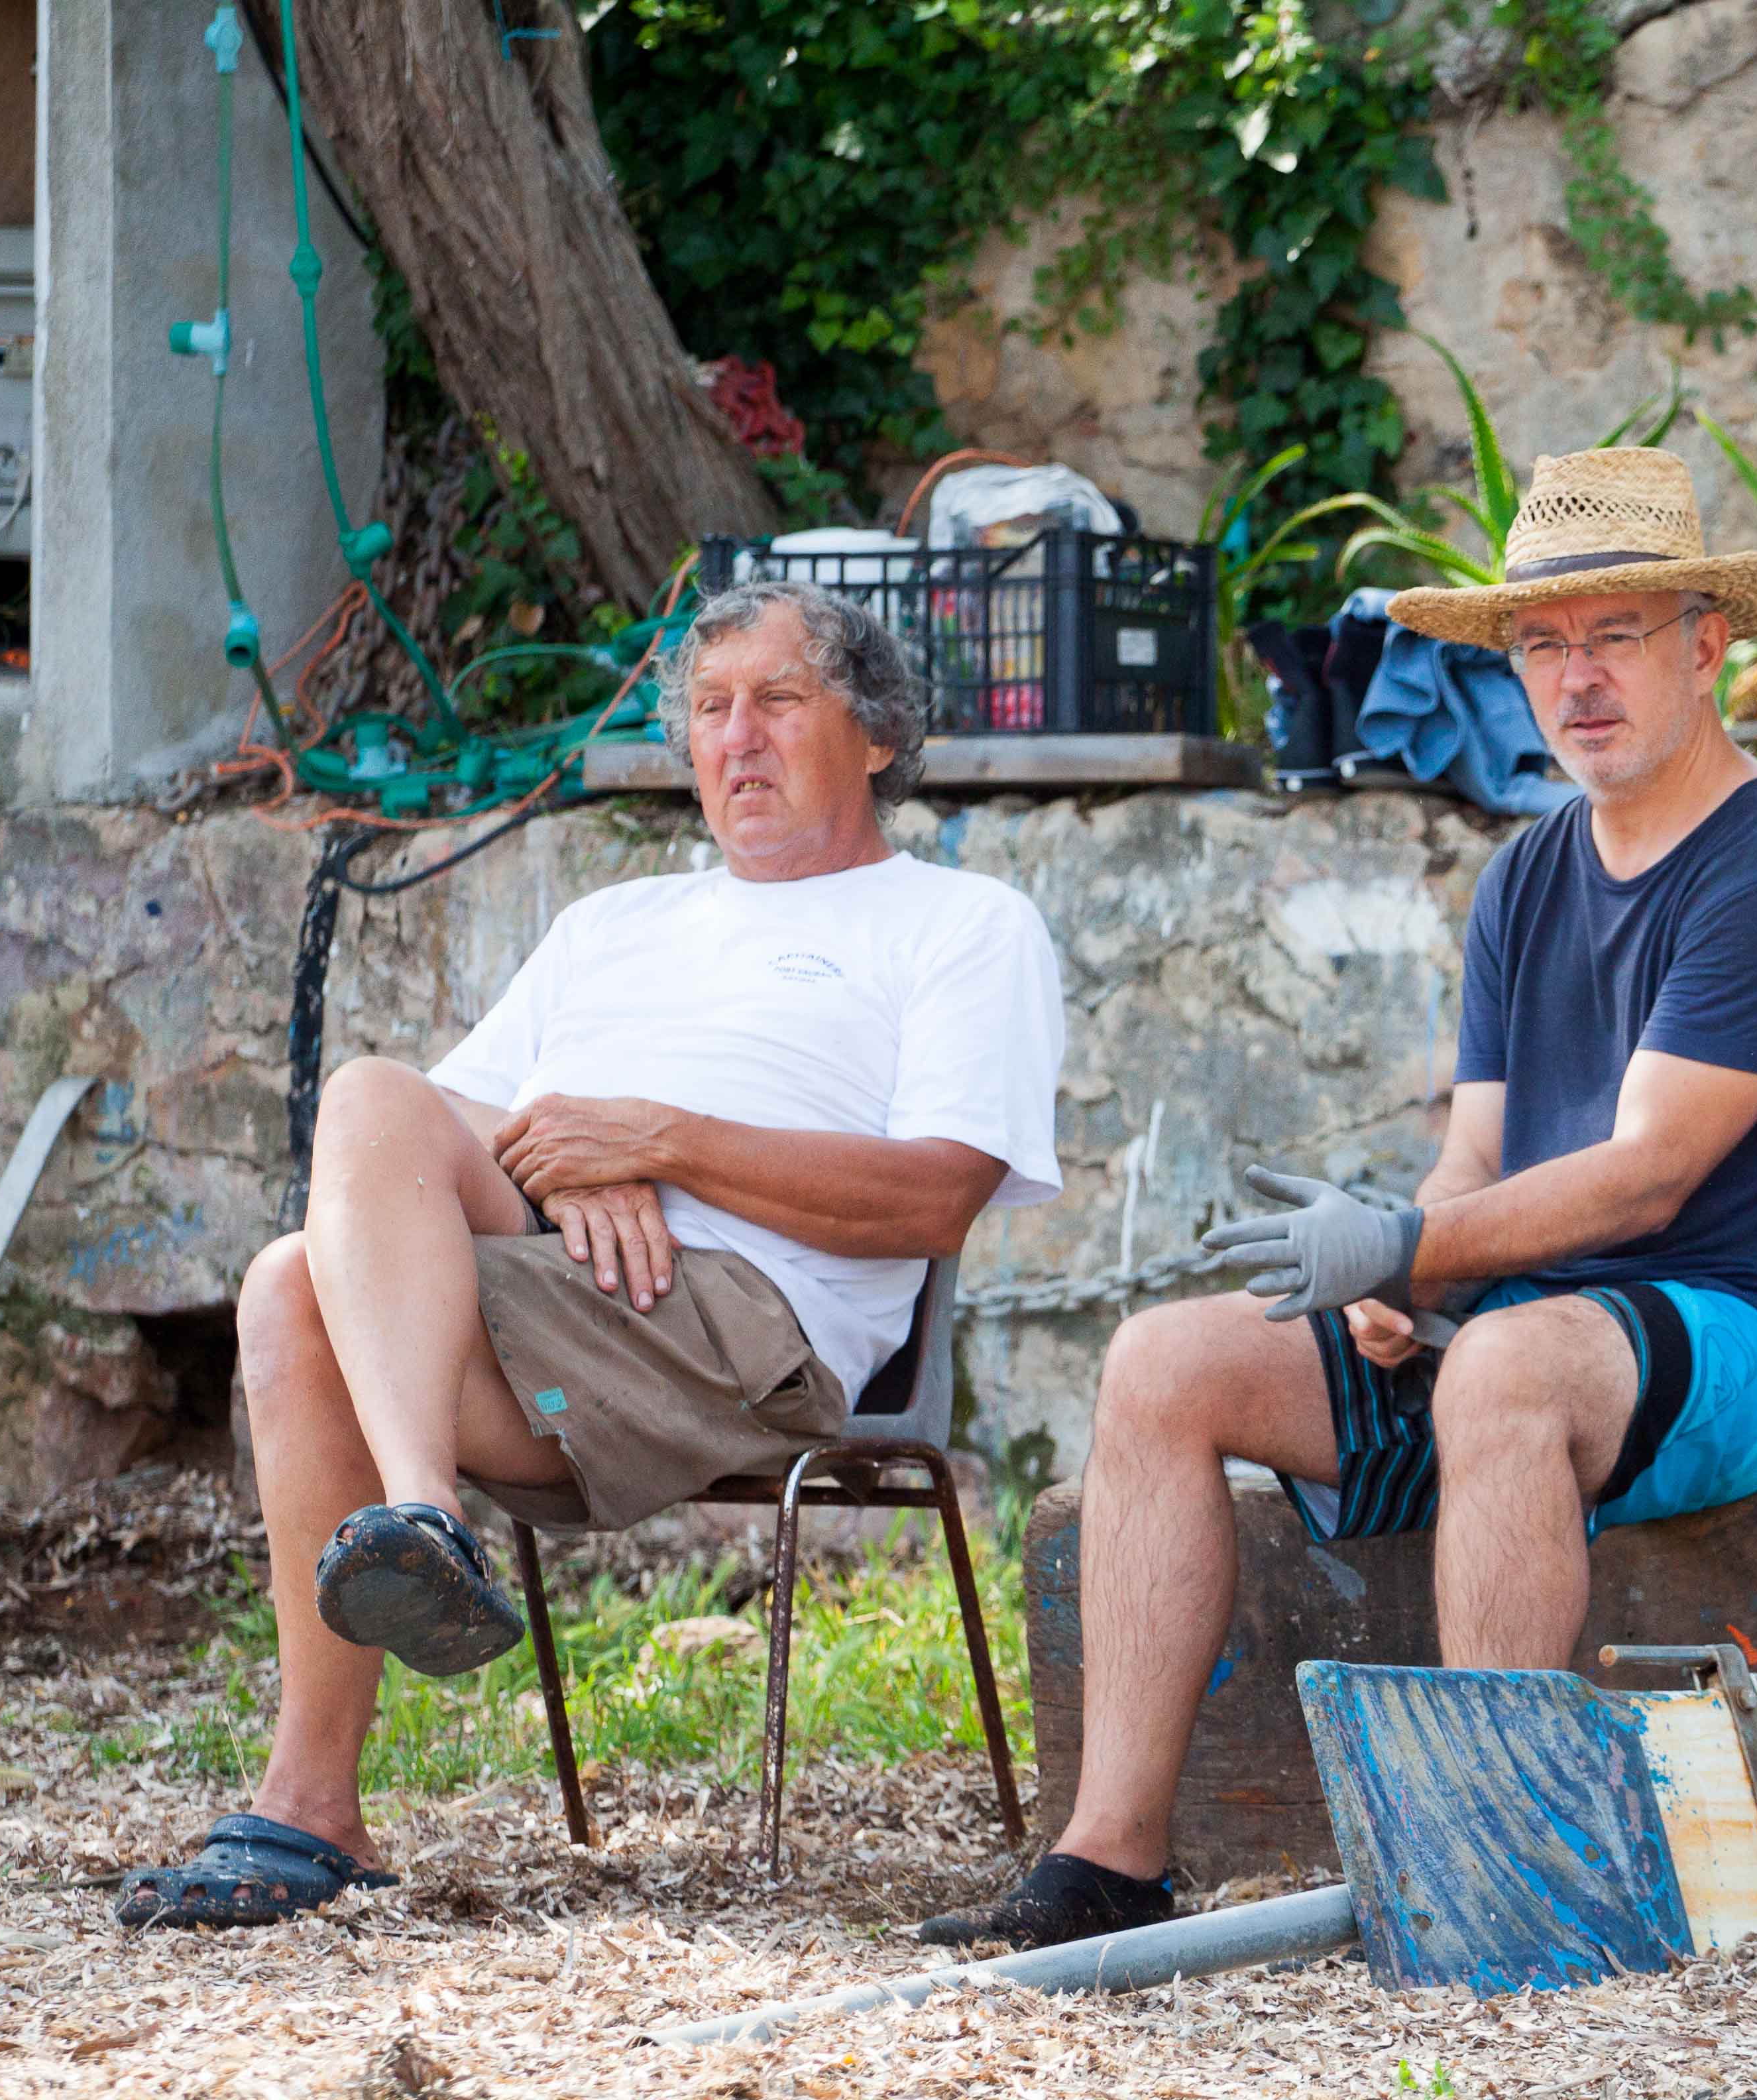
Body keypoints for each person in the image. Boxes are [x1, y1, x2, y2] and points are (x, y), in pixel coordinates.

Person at [925, 445, 1757, 1950]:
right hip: (1549, 1323)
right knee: (1167, 1360)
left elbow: (1650, 1174)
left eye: (1617, 634)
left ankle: (1500, 1869)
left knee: (1509, 1368)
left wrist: (1417, 1246)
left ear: (1709, 645)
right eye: (1544, 643)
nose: (1578, 678)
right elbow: (1477, 1159)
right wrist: (1410, 1275)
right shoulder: (1529, 877)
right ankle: (1108, 1864)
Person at [117, 579, 1065, 1929]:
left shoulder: (961, 924)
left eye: (778, 701)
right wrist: (576, 1171)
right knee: (354, 1137)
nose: (737, 738)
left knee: (293, 1284)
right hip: (566, 1293)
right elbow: (440, 1139)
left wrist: (661, 1141)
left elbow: (936, 1201)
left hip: (744, 1327)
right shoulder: (614, 925)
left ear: (876, 736)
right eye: (710, 709)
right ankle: (407, 1566)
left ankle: (344, 1717)